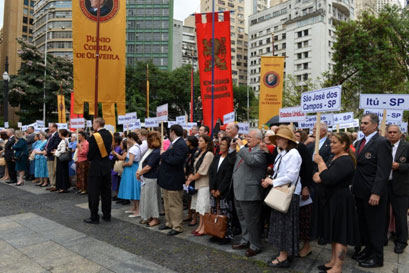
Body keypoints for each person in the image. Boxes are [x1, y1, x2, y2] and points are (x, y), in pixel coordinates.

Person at [313, 133, 360, 273]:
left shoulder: (346, 161)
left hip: (341, 201)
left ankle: (338, 267)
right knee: (333, 232)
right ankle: (333, 261)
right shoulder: (334, 158)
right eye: (331, 142)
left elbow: (327, 178)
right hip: (331, 199)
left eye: (334, 142)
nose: (331, 145)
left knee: (341, 234)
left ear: (344, 144)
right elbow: (317, 175)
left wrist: (321, 164)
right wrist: (322, 173)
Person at [352, 113, 392, 268]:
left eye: (366, 123)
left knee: (375, 226)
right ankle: (368, 250)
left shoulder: (381, 142)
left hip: (373, 192)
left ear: (375, 125)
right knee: (365, 225)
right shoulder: (360, 141)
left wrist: (376, 192)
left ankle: (377, 257)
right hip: (360, 191)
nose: (362, 125)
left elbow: (383, 170)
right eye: (361, 123)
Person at [262, 126, 301, 268]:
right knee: (281, 225)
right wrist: (270, 179)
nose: (276, 140)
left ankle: (283, 256)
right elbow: (279, 172)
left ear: (286, 140)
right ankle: (284, 253)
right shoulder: (283, 152)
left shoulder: (293, 153)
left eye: (279, 138)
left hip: (287, 194)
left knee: (284, 225)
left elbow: (291, 175)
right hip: (281, 191)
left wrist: (274, 181)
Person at [231, 129, 267, 257]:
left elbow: (251, 162)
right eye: (246, 136)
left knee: (252, 221)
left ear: (258, 139)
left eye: (250, 137)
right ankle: (245, 240)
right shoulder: (245, 150)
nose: (247, 139)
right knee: (243, 219)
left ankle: (255, 245)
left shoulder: (260, 152)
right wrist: (233, 148)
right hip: (239, 190)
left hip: (250, 192)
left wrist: (241, 148)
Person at [157, 124, 188, 236]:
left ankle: (177, 226)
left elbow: (176, 160)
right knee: (167, 202)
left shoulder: (180, 144)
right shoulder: (173, 143)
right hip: (167, 178)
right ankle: (169, 222)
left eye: (170, 132)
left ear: (173, 132)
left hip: (174, 179)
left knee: (174, 204)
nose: (169, 134)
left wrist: (163, 155)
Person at [385, 125, 409, 254]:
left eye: (395, 132)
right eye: (390, 132)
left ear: (400, 134)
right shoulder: (383, 145)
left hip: (401, 187)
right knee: (383, 214)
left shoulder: (407, 147)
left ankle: (401, 241)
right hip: (384, 185)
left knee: (400, 216)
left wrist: (400, 166)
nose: (392, 134)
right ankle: (383, 236)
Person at [84, 118, 113, 224]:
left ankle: (94, 216)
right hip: (106, 166)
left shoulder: (95, 136)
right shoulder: (110, 134)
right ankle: (107, 215)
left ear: (97, 124)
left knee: (94, 193)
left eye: (93, 123)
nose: (92, 125)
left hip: (96, 167)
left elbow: (90, 154)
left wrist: (90, 158)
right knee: (106, 192)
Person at [307, 123, 332, 244]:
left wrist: (319, 173)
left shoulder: (330, 144)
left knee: (323, 209)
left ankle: (323, 234)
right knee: (313, 208)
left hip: (322, 181)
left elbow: (329, 162)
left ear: (323, 131)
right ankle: (314, 232)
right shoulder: (311, 145)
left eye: (315, 129)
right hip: (311, 181)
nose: (313, 131)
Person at [208, 136, 235, 244]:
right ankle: (215, 233)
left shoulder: (230, 159)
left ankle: (225, 235)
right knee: (214, 212)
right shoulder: (216, 157)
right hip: (214, 190)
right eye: (220, 144)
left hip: (224, 192)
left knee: (225, 214)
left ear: (228, 147)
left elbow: (227, 177)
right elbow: (212, 173)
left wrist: (220, 190)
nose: (221, 146)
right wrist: (212, 188)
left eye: (223, 144)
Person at [186, 134, 214, 236]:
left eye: (201, 141)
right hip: (198, 183)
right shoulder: (200, 153)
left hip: (204, 184)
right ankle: (200, 225)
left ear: (206, 143)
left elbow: (203, 171)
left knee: (204, 207)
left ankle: (204, 227)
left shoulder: (209, 154)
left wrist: (191, 178)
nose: (199, 142)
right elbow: (194, 167)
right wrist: (190, 176)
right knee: (199, 208)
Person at [137, 131, 162, 227]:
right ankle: (149, 216)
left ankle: (155, 218)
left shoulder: (155, 152)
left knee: (152, 199)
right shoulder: (151, 150)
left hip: (151, 178)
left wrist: (139, 172)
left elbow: (149, 166)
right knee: (147, 198)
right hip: (146, 177)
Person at [117, 132, 142, 218]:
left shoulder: (133, 149)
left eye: (128, 138)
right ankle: (135, 208)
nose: (126, 140)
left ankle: (138, 210)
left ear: (131, 138)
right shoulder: (136, 147)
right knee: (134, 189)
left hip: (131, 170)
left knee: (134, 189)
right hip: (133, 168)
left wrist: (122, 165)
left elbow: (130, 162)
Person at [183, 136, 199, 226]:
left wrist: (190, 175)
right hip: (187, 176)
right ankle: (189, 214)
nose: (186, 142)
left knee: (193, 198)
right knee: (188, 197)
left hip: (192, 176)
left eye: (187, 141)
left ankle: (194, 217)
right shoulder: (188, 151)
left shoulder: (196, 152)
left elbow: (194, 165)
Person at [45, 123, 61, 191]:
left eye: (50, 127)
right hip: (48, 154)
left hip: (52, 155)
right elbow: (48, 144)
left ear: (55, 128)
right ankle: (52, 184)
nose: (49, 128)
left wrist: (48, 151)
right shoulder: (50, 135)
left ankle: (54, 184)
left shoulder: (57, 135)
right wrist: (45, 150)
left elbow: (55, 145)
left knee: (53, 170)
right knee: (50, 170)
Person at [110, 136, 123, 201]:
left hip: (116, 166)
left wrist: (112, 156)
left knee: (117, 182)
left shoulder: (118, 149)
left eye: (113, 141)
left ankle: (119, 195)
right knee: (114, 182)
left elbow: (115, 157)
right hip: (113, 166)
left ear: (116, 142)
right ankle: (116, 194)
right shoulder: (113, 148)